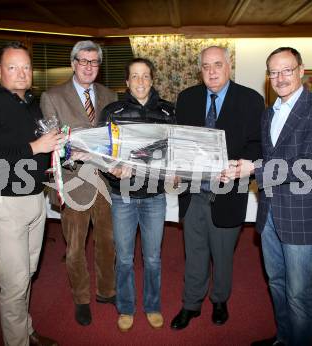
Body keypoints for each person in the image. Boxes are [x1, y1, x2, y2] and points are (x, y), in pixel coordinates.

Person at [226, 47, 312, 346]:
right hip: (270, 213)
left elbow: (311, 164)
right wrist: (243, 167)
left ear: (301, 71)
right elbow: (269, 158)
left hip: (303, 215)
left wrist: (255, 170)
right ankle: (284, 339)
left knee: (298, 294)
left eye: (287, 70)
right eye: (273, 72)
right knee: (276, 284)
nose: (280, 77)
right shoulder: (268, 115)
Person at [0, 41, 62, 346]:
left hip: (35, 198)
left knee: (28, 273)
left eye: (26, 67)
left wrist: (58, 150)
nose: (21, 73)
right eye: (13, 67)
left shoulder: (32, 105)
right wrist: (37, 147)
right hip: (4, 201)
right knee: (15, 281)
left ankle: (25, 330)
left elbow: (39, 153)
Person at [170, 46, 264, 330]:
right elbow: (178, 141)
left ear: (229, 66)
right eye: (206, 66)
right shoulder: (187, 98)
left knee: (223, 254)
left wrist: (239, 167)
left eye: (217, 64)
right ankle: (191, 304)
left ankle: (220, 300)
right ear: (201, 70)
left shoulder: (250, 99)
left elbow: (257, 144)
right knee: (194, 252)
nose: (212, 71)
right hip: (193, 192)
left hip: (228, 192)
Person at [40, 40, 117, 326]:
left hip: (106, 181)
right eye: (83, 61)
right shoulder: (52, 96)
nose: (88, 67)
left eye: (94, 62)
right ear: (73, 63)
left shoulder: (110, 95)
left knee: (108, 242)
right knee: (74, 247)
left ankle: (107, 291)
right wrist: (76, 151)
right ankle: (81, 298)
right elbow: (52, 143)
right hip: (73, 181)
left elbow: (116, 139)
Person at [99, 58, 175, 332]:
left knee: (153, 258)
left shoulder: (168, 111)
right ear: (127, 82)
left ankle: (153, 306)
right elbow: (103, 155)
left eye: (145, 76)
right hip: (123, 197)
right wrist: (112, 171)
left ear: (152, 80)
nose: (141, 81)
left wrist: (174, 171)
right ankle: (126, 307)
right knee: (124, 257)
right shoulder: (112, 111)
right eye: (135, 76)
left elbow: (175, 152)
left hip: (155, 196)